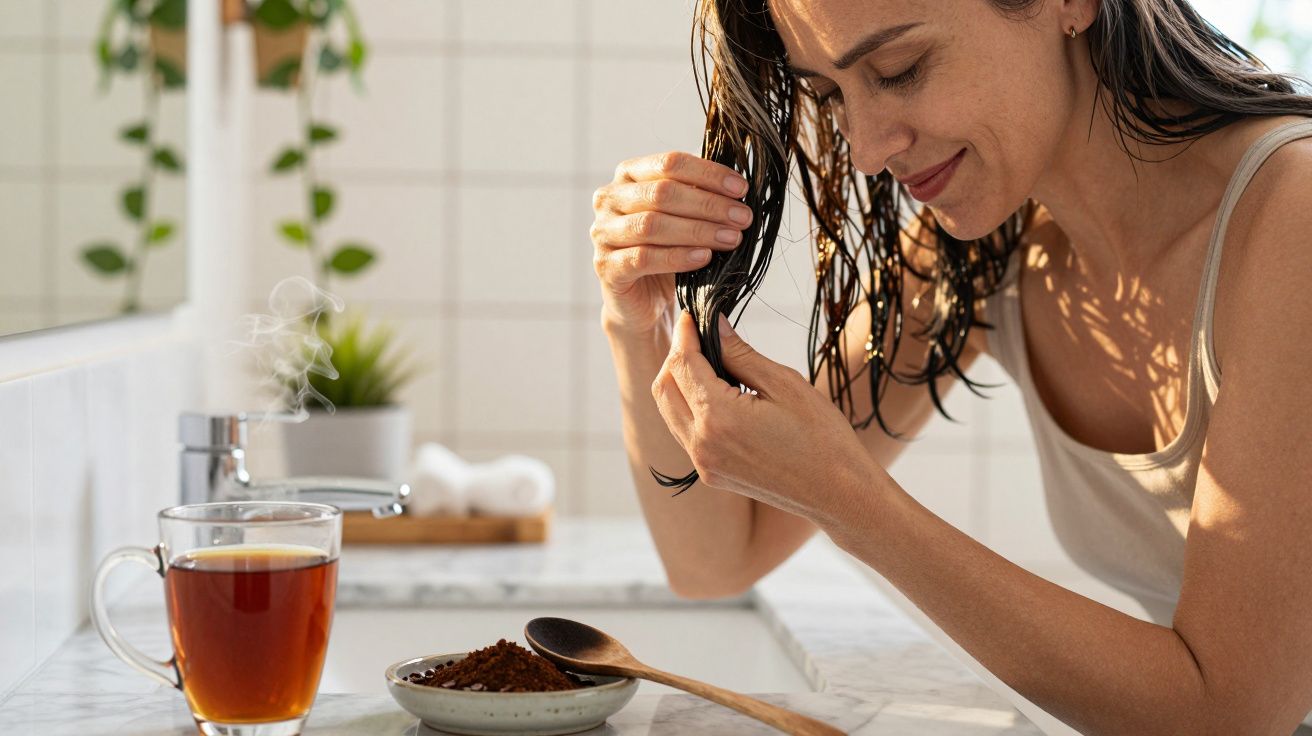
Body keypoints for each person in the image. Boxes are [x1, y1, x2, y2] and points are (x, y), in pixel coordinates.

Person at [589, 0, 1312, 732]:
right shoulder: (989, 251)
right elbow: (717, 558)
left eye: (900, 70)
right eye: (830, 94)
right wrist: (636, 316)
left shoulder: (1294, 216)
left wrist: (852, 502)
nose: (866, 147)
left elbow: (1233, 711)